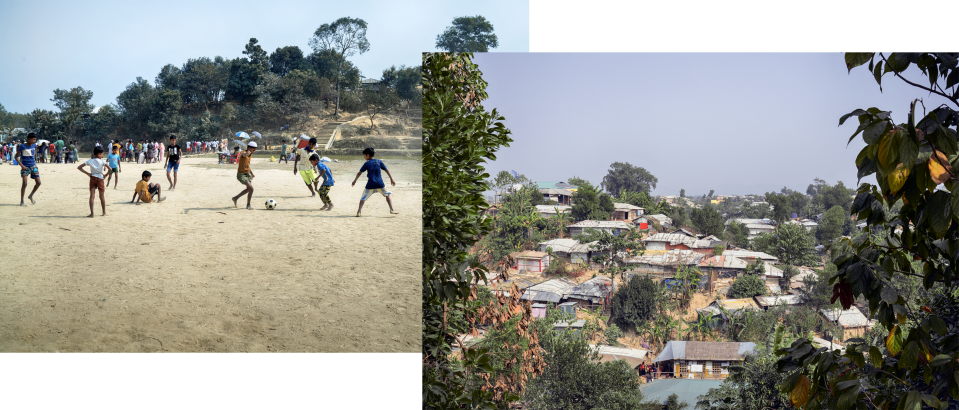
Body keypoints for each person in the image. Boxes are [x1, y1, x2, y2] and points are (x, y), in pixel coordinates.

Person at [351, 147, 398, 217]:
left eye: (364, 155)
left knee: (363, 198)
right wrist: (391, 179)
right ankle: (391, 209)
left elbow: (359, 173)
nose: (364, 157)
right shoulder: (379, 161)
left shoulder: (367, 163)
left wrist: (354, 181)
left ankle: (359, 211)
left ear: (367, 155)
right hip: (380, 184)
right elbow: (387, 170)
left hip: (370, 184)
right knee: (387, 195)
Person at [78, 147, 112, 217]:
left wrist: (87, 173)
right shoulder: (102, 161)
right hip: (100, 178)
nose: (102, 155)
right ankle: (104, 212)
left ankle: (92, 213)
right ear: (99, 154)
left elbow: (79, 167)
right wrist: (105, 175)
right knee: (102, 196)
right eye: (102, 154)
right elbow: (110, 169)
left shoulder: (90, 161)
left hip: (92, 178)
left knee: (92, 196)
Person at [17, 133, 42, 206]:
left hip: (33, 166)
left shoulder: (34, 145)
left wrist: (35, 165)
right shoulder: (22, 146)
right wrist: (22, 166)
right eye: (33, 139)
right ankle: (22, 201)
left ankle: (31, 195)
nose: (35, 141)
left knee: (38, 183)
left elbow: (33, 155)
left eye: (35, 139)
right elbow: (16, 157)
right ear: (29, 139)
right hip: (25, 167)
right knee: (24, 183)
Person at [231, 142, 257, 209]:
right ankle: (248, 205)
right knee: (251, 188)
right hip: (241, 174)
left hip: (247, 173)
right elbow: (243, 155)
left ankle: (235, 198)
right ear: (249, 148)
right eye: (253, 150)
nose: (254, 151)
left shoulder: (250, 154)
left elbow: (247, 165)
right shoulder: (243, 152)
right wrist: (246, 154)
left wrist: (251, 173)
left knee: (249, 189)